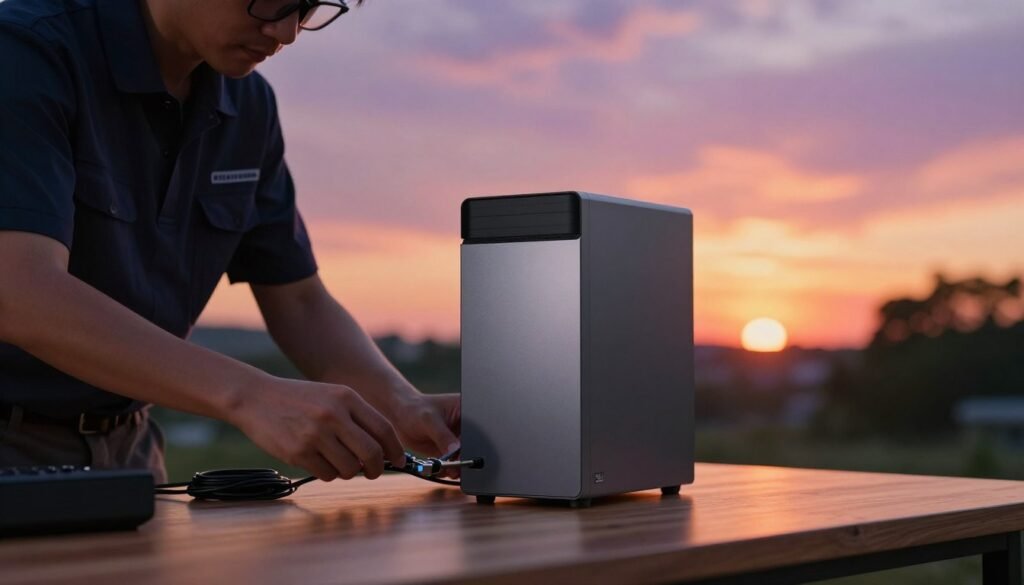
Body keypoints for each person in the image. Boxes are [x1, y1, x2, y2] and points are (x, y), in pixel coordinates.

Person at [0, 0, 461, 485]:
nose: (286, 32)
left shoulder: (248, 106)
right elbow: (18, 291)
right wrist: (249, 395)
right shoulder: (25, 53)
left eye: (307, 8)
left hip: (133, 453)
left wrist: (403, 404)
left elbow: (299, 302)